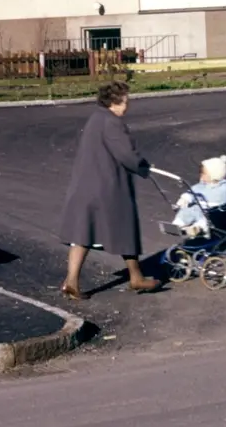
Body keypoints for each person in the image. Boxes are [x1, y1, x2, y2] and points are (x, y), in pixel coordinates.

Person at [57, 79, 160, 300]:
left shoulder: (96, 118)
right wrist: (142, 166)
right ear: (116, 101)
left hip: (86, 185)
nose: (128, 104)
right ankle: (135, 277)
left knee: (83, 233)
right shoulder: (113, 123)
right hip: (107, 187)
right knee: (125, 226)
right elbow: (125, 154)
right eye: (126, 100)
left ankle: (71, 281)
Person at [172, 156, 226, 237]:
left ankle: (198, 228)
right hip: (200, 207)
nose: (201, 175)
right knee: (187, 210)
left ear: (215, 175)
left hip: (216, 212)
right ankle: (179, 223)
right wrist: (186, 198)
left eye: (204, 173)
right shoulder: (201, 186)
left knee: (206, 218)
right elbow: (193, 192)